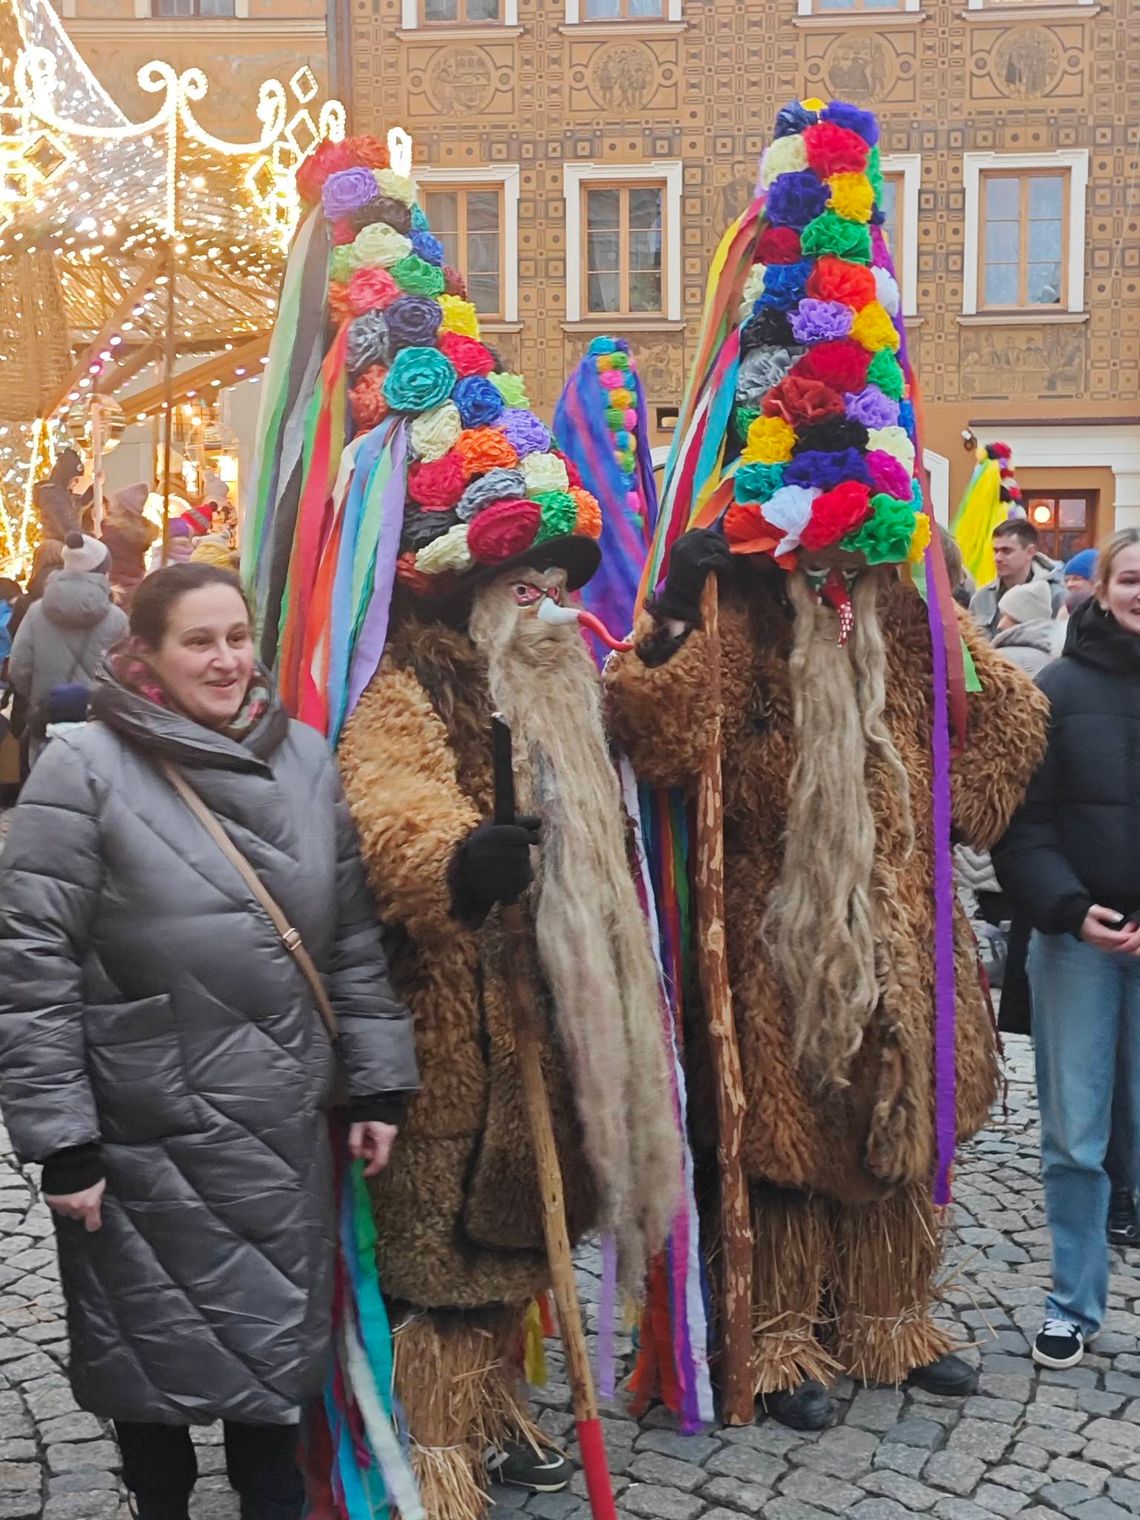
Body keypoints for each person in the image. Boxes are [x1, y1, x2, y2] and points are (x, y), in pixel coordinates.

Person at [247, 133, 682, 1519]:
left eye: (560, 572)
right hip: (446, 1019)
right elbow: (387, 798)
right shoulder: (406, 676)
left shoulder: (554, 674)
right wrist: (458, 860)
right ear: (453, 585)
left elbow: (639, 742)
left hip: (541, 1014)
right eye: (527, 576)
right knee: (440, 1251)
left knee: (516, 1245)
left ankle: (499, 1412)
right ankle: (434, 1446)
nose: (550, 594)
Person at [604, 96, 1050, 1430]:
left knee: (893, 1127)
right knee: (789, 1140)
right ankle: (783, 1332)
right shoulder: (742, 606)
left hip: (903, 924)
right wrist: (674, 623)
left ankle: (892, 1318)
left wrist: (977, 698)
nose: (839, 567)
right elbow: (661, 732)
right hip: (777, 926)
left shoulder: (915, 609)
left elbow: (1000, 728)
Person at [0, 562, 418, 1520]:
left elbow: (349, 937)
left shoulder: (307, 758)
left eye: (237, 636)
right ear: (142, 653)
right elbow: (33, 972)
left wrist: (380, 1085)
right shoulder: (83, 770)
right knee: (149, 1366)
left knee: (269, 1368)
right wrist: (61, 1143)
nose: (225, 660)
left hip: (277, 1130)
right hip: (142, 1133)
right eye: (199, 641)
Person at [994, 527, 1140, 1368]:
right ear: (1101, 587)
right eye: (1128, 577)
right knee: (1076, 1136)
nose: (1138, 592)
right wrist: (1069, 908)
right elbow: (1025, 824)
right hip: (1079, 940)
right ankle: (1073, 1304)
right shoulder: (1055, 687)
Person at [7, 533, 128, 768]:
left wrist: (38, 696)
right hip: (99, 725)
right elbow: (124, 675)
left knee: (44, 788)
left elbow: (18, 668)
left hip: (48, 721)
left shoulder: (36, 612)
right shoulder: (118, 619)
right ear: (104, 571)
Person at [970, 518, 1065, 637]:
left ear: (1030, 552)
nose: (998, 558)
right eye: (996, 551)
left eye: (1006, 551)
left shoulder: (1056, 596)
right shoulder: (981, 598)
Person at [100, 482, 158, 607]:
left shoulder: (113, 533)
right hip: (136, 586)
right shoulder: (138, 533)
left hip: (115, 588)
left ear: (122, 508)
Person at [992, 578, 1059, 678]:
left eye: (1009, 617)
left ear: (1023, 619)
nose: (1000, 625)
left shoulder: (1003, 658)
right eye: (1001, 616)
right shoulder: (1055, 658)